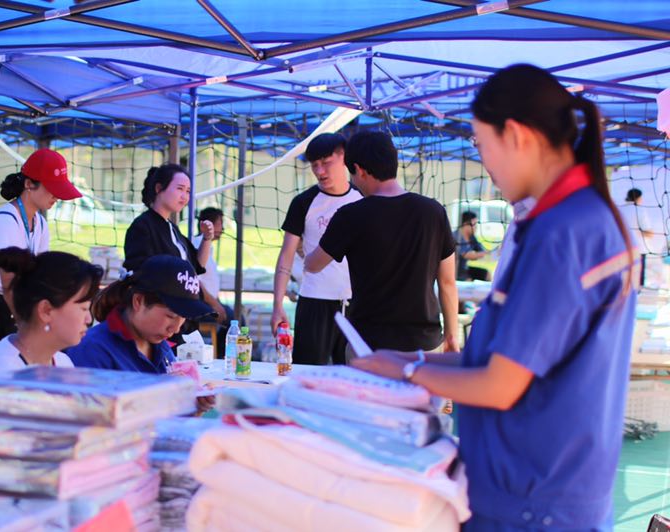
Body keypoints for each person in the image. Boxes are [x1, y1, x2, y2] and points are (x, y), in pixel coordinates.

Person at [352, 64, 636, 531]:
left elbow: (500, 385)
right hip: (538, 493)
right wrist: (408, 359)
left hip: (532, 503)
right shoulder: (579, 219)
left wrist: (407, 372)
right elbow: (500, 360)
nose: (486, 165)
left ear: (517, 136)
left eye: (483, 146)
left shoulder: (562, 233)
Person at [305, 130, 459, 355]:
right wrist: (452, 336)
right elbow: (447, 282)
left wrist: (303, 250)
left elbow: (313, 265)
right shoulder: (434, 211)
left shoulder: (350, 216)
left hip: (368, 345)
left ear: (359, 170)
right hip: (424, 344)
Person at [0, 149, 82, 371]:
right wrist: (29, 324)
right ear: (29, 184)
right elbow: (9, 282)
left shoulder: (40, 224)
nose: (56, 196)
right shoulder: (6, 221)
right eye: (52, 188)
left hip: (6, 306)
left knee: (16, 374)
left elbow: (38, 277)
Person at [66, 255, 215, 412]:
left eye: (183, 317)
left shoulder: (161, 347)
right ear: (138, 301)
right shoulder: (93, 349)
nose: (176, 329)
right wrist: (154, 392)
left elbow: (166, 414)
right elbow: (87, 416)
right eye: (170, 316)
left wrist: (192, 405)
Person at [272, 133, 363, 366]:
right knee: (306, 371)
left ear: (343, 157)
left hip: (355, 303)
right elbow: (286, 255)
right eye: (314, 165)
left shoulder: (362, 198)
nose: (320, 171)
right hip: (314, 300)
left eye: (326, 163)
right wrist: (277, 305)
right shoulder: (303, 202)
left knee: (355, 375)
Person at [0, 247, 103, 378]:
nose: (88, 319)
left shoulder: (62, 362)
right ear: (46, 311)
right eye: (83, 308)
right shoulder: (0, 375)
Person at [123, 164, 214, 274]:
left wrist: (207, 238)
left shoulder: (173, 229)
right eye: (180, 188)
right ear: (158, 188)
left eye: (188, 191)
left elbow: (197, 266)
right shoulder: (142, 226)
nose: (184, 197)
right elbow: (138, 272)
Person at [191, 207, 232, 324]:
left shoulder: (208, 247)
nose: (222, 229)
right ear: (209, 225)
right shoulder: (198, 245)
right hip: (201, 303)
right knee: (234, 318)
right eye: (220, 224)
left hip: (209, 302)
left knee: (233, 316)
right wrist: (215, 304)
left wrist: (217, 302)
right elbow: (196, 282)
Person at [621, 188, 654, 287]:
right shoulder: (640, 210)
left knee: (624, 281)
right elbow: (648, 232)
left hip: (621, 250)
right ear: (638, 198)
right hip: (638, 249)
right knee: (638, 284)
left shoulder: (619, 209)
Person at [455, 211, 490, 281]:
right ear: (465, 224)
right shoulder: (456, 236)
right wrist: (486, 253)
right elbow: (467, 255)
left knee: (487, 274)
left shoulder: (472, 237)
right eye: (474, 224)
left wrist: (489, 252)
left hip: (465, 268)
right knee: (468, 279)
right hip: (455, 270)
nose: (476, 227)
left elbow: (482, 250)